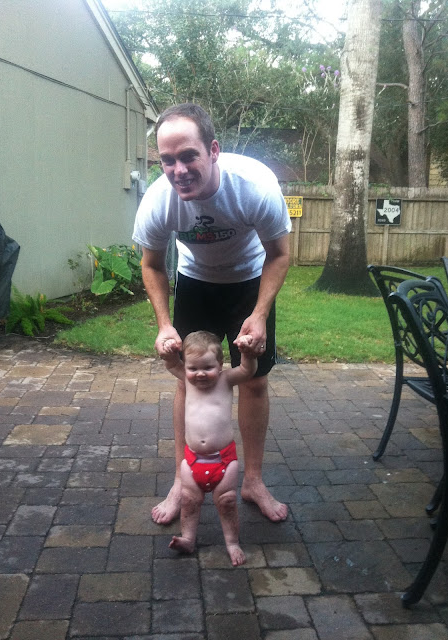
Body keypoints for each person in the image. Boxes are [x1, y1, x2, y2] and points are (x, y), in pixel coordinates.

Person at [133, 102, 291, 525]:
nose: (179, 170)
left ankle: (252, 481)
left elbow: (279, 254)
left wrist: (260, 314)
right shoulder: (158, 201)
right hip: (196, 282)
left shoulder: (254, 186)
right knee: (189, 382)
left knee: (254, 380)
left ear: (214, 150)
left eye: (189, 156)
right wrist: (164, 325)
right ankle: (181, 480)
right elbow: (152, 265)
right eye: (168, 160)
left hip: (248, 280)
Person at [162, 330, 257, 565]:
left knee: (227, 502)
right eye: (193, 368)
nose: (200, 374)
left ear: (220, 364)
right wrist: (168, 352)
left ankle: (232, 543)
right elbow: (171, 364)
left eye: (208, 367)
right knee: (189, 500)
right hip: (192, 460)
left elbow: (248, 371)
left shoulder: (226, 380)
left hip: (223, 460)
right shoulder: (187, 379)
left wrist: (247, 353)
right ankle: (188, 538)